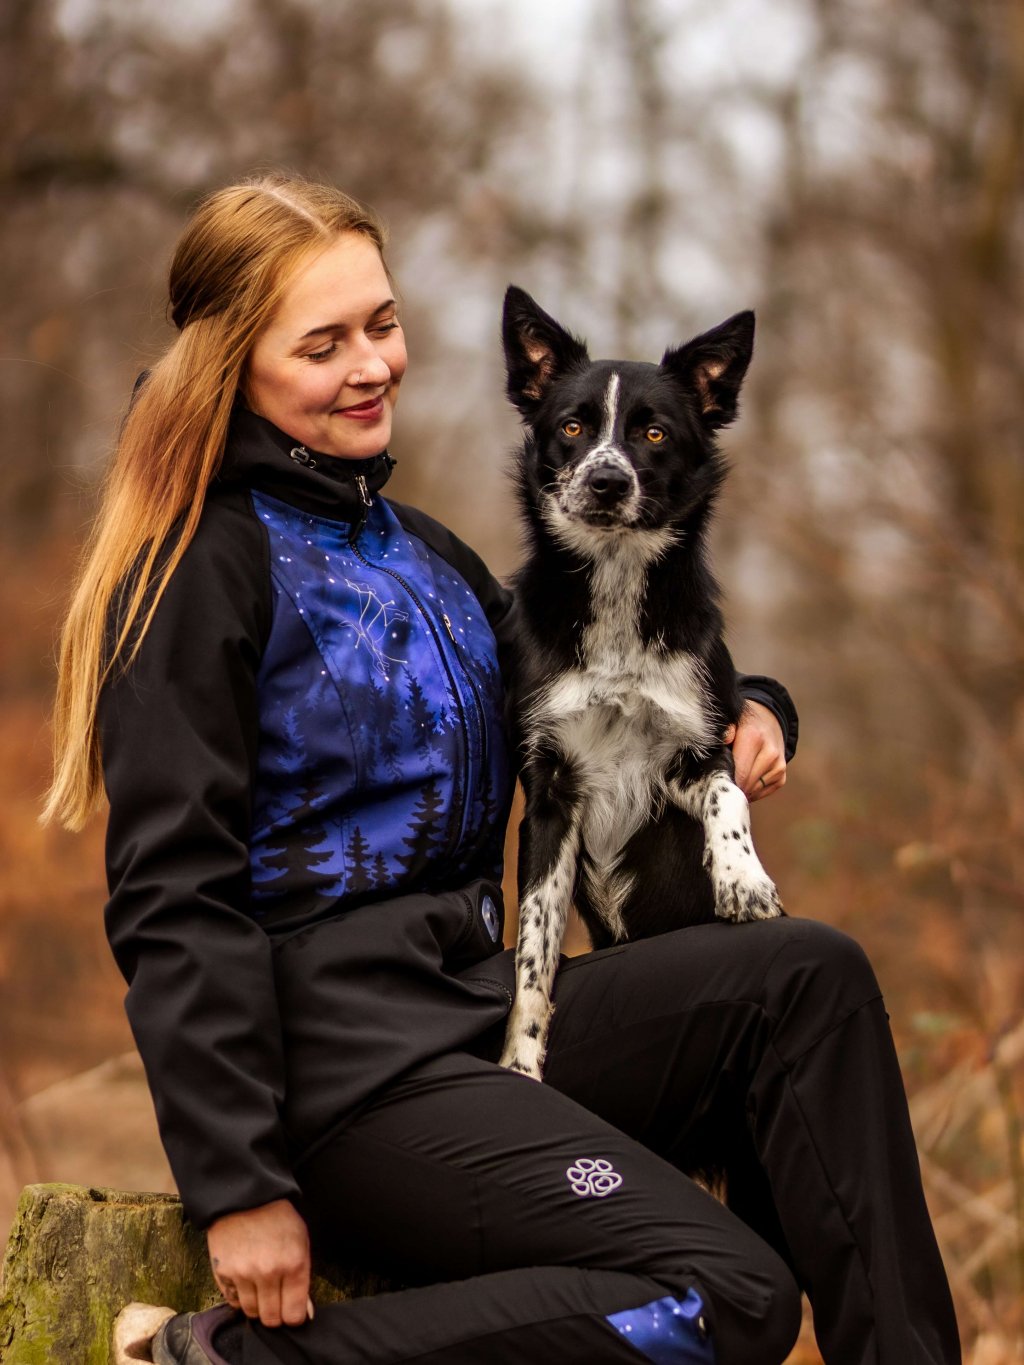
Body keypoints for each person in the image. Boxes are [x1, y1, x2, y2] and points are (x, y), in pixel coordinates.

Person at [45, 173, 960, 1365]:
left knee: (805, 979)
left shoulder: (417, 553)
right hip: (349, 1087)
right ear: (233, 366)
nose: (371, 363)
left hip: (484, 1014)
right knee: (730, 1292)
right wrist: (236, 1182)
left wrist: (758, 704)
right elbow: (174, 898)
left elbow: (609, 675)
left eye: (380, 323)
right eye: (322, 344)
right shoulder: (200, 569)